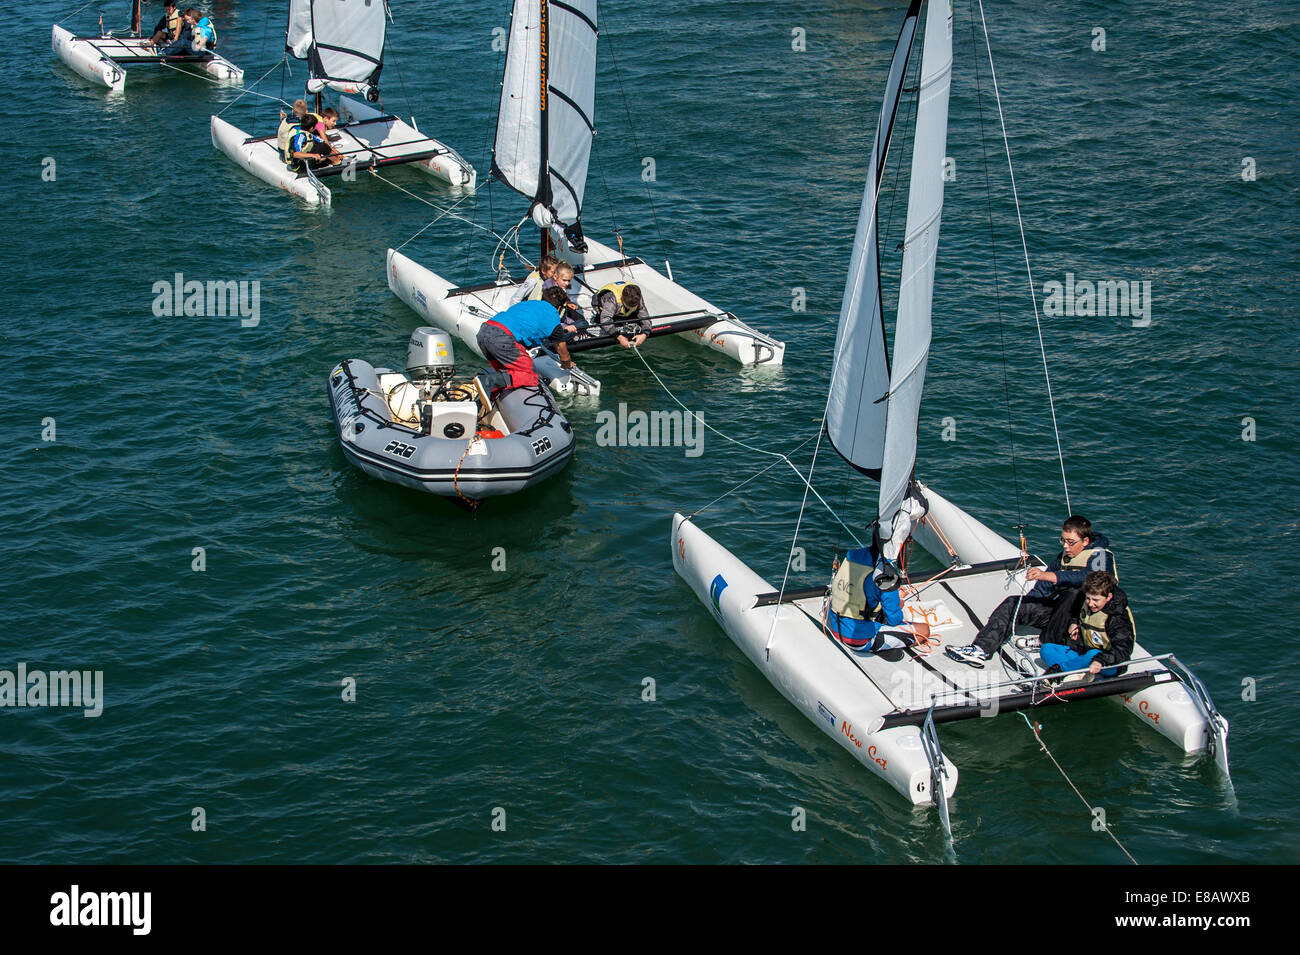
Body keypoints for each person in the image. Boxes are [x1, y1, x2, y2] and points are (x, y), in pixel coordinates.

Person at [945, 515, 1114, 668]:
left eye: (1071, 542)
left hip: (1087, 620)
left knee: (1072, 593)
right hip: (1060, 616)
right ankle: (980, 650)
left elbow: (1090, 578)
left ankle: (1048, 641)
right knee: (1014, 604)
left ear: (1085, 541)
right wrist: (1025, 609)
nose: (1066, 546)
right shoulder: (1063, 556)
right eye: (1063, 541)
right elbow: (1043, 588)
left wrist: (1051, 576)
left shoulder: (1100, 555)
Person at [824, 544, 930, 656]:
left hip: (834, 625)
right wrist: (899, 598)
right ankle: (884, 646)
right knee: (924, 631)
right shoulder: (885, 573)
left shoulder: (852, 555)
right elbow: (894, 620)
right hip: (858, 640)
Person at [475, 287, 572, 392]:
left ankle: (489, 392)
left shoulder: (527, 304)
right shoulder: (553, 318)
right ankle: (489, 380)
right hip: (503, 337)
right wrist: (566, 364)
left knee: (506, 372)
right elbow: (563, 351)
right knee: (532, 376)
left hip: (484, 330)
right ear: (560, 308)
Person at [1039, 571, 1133, 677]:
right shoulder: (1085, 601)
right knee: (1046, 649)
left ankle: (1061, 670)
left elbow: (1123, 650)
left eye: (1096, 600)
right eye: (1088, 598)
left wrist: (1099, 661)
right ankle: (1079, 669)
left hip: (1109, 662)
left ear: (1109, 597)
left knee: (1092, 654)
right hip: (1085, 653)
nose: (1091, 604)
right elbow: (1076, 612)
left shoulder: (1118, 618)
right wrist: (1074, 623)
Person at [592, 281, 650, 348]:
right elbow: (605, 320)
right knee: (607, 323)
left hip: (620, 308)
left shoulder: (637, 296)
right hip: (602, 305)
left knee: (636, 318)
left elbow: (645, 317)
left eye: (634, 306)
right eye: (629, 306)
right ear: (622, 298)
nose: (632, 308)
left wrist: (644, 334)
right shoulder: (612, 300)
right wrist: (619, 337)